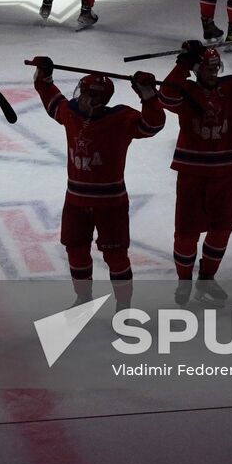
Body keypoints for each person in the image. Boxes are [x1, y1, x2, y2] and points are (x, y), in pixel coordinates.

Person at [32, 57, 164, 308]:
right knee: (76, 250)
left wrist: (148, 94)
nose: (77, 97)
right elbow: (50, 99)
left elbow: (153, 124)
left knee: (116, 256)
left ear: (93, 98)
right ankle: (83, 298)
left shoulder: (121, 119)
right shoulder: (72, 113)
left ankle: (123, 305)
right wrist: (44, 74)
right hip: (76, 201)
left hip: (110, 205)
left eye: (82, 93)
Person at [159, 39, 232, 306]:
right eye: (207, 67)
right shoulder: (185, 89)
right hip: (192, 174)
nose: (213, 72)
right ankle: (184, 279)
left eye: (215, 67)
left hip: (225, 172)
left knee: (222, 230)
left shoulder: (231, 88)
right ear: (196, 69)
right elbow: (165, 97)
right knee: (186, 233)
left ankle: (207, 277)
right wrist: (182, 63)